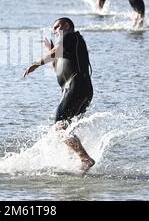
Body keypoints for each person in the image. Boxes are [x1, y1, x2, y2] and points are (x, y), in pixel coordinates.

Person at [23, 18, 95, 173]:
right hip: (81, 88)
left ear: (66, 26)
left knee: (59, 125)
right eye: (53, 29)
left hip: (76, 87)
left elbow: (56, 51)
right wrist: (51, 52)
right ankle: (73, 159)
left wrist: (36, 64)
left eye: (56, 27)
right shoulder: (67, 45)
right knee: (66, 127)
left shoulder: (70, 36)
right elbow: (57, 68)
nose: (54, 30)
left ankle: (85, 159)